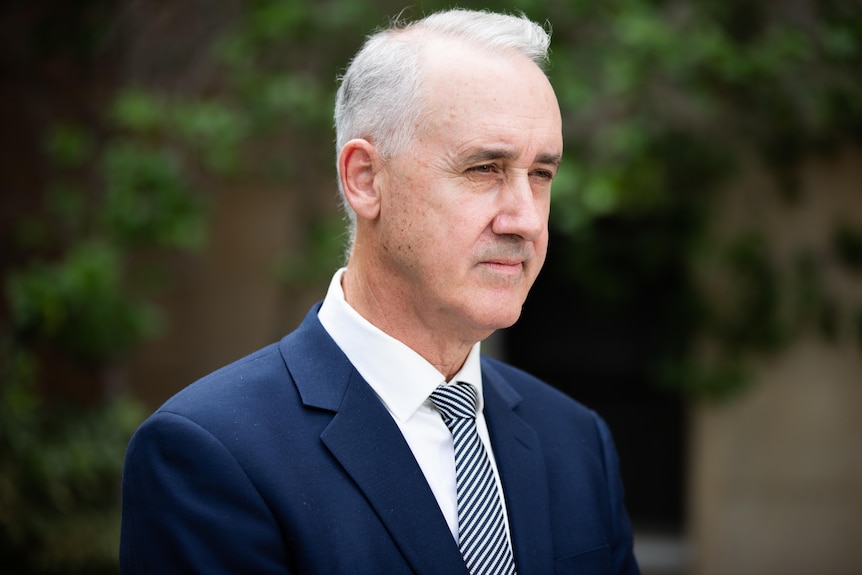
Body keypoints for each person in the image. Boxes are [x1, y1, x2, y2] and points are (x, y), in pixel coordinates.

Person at [119, 8, 640, 575]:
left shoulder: (576, 440)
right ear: (365, 179)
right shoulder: (212, 455)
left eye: (541, 175)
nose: (527, 220)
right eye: (485, 168)